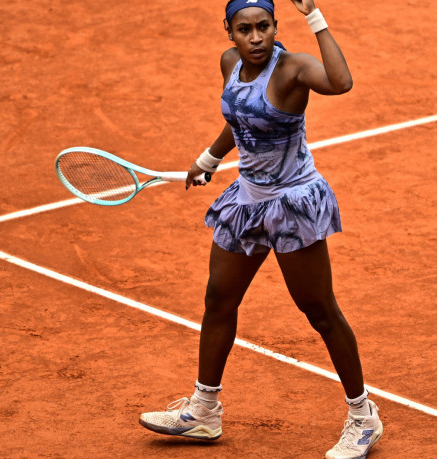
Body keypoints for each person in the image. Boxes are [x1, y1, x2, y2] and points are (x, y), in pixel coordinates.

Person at [138, 1, 382, 458]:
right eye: (245, 29)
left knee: (319, 310)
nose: (255, 38)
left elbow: (341, 82)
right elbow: (240, 118)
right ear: (229, 32)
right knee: (219, 299)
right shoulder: (229, 63)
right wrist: (209, 158)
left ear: (275, 27)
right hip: (247, 201)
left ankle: (363, 417)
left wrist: (315, 17)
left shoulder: (292, 69)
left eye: (264, 27)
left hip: (292, 204)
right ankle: (204, 410)